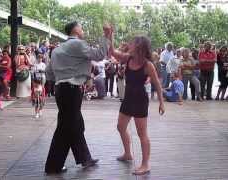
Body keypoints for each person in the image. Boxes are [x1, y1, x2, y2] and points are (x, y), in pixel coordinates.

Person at [45, 21, 112, 174]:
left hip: (61, 89)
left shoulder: (57, 50)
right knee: (66, 127)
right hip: (71, 89)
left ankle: (84, 158)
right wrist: (106, 36)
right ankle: (52, 166)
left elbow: (49, 72)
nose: (83, 30)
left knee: (74, 124)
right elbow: (99, 55)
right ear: (75, 29)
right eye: (81, 27)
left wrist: (64, 76)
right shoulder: (77, 44)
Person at [110, 35, 165, 175]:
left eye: (132, 43)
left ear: (139, 46)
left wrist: (161, 103)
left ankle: (146, 164)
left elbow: (157, 84)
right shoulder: (128, 58)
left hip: (140, 100)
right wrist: (110, 36)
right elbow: (112, 52)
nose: (129, 44)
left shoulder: (148, 65)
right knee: (120, 127)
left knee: (142, 134)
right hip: (128, 98)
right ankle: (128, 154)